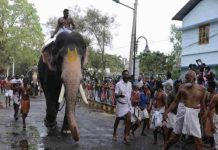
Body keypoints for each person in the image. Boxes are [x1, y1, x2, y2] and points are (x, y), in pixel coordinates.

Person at [163, 70, 206, 150]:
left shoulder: (202, 89)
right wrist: (166, 112)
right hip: (182, 111)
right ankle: (165, 148)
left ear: (194, 78)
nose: (186, 80)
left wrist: (203, 115)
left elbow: (203, 105)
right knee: (174, 137)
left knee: (198, 139)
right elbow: (175, 101)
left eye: (188, 78)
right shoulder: (182, 87)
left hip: (194, 113)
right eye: (185, 78)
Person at [113, 70, 132, 144]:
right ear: (123, 76)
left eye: (127, 74)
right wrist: (120, 95)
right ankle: (114, 133)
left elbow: (129, 94)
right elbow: (115, 95)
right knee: (117, 120)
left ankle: (125, 136)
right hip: (120, 104)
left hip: (127, 104)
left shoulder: (130, 84)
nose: (127, 76)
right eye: (125, 75)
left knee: (129, 120)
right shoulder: (118, 84)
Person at [150, 80, 167, 145]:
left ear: (158, 85)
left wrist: (165, 114)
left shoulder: (163, 94)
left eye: (155, 84)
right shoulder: (156, 92)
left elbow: (166, 104)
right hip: (156, 111)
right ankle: (155, 140)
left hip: (161, 112)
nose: (154, 86)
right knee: (154, 127)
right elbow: (154, 101)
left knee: (163, 127)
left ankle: (165, 142)